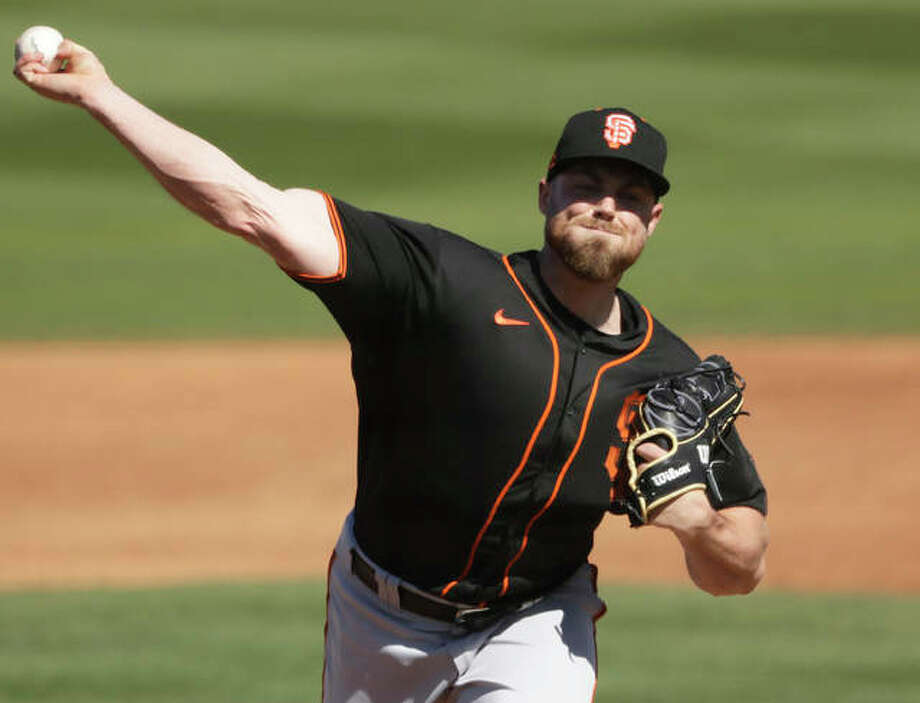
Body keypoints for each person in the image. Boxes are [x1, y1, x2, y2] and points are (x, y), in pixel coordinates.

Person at [15, 39, 768, 703]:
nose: (606, 207)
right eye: (585, 186)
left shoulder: (670, 378)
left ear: (653, 220)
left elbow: (740, 567)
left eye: (630, 195)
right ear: (545, 192)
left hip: (535, 617)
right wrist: (101, 96)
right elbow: (253, 208)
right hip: (378, 612)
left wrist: (697, 523)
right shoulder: (440, 281)